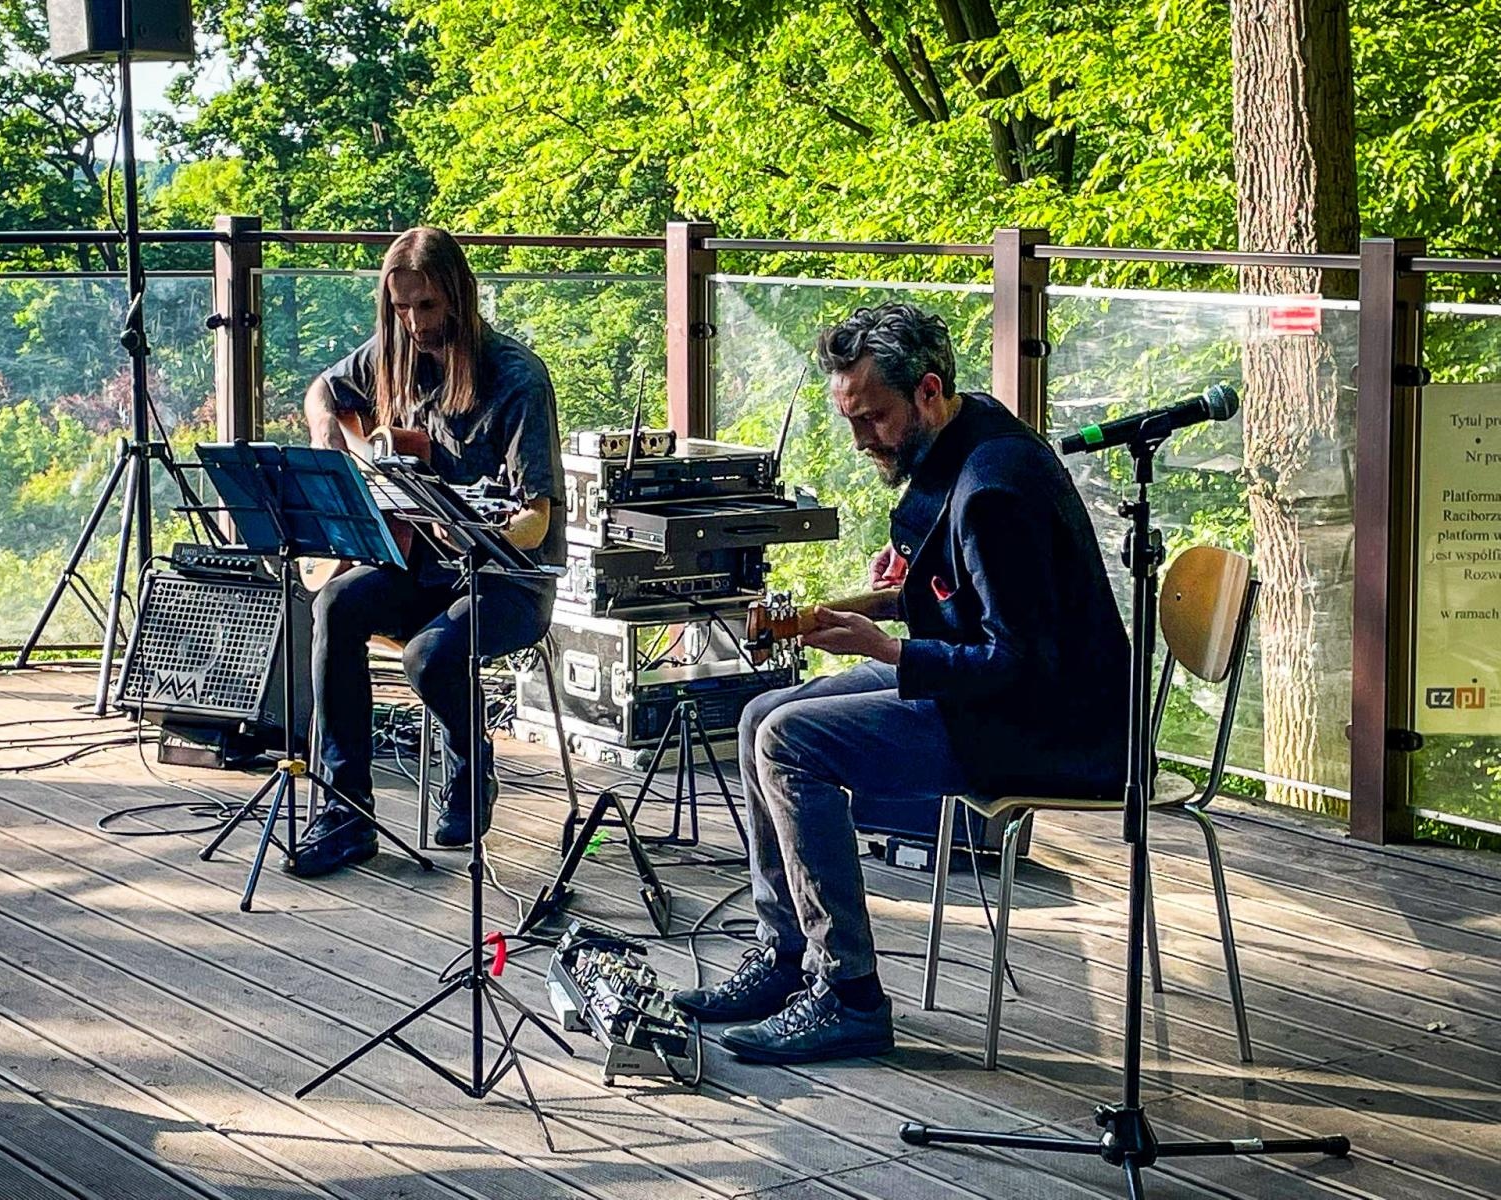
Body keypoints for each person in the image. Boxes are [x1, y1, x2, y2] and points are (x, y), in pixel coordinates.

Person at [673, 302, 1129, 1064]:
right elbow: (962, 590)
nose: (860, 441)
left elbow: (1016, 664)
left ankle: (846, 993)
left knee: (788, 741)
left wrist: (889, 648)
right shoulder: (966, 428)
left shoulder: (994, 489)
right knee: (758, 717)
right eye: (850, 419)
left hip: (1045, 730)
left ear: (926, 391)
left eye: (873, 419)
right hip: (992, 700)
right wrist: (911, 589)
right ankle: (786, 956)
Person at [290, 226, 565, 876]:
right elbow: (323, 391)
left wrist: (484, 531)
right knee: (335, 603)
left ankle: (473, 762)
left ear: (459, 300)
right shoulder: (392, 351)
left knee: (428, 655)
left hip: (506, 578)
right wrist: (332, 434)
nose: (413, 323)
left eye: (428, 308)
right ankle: (345, 811)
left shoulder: (516, 378)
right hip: (422, 565)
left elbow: (534, 519)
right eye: (401, 307)